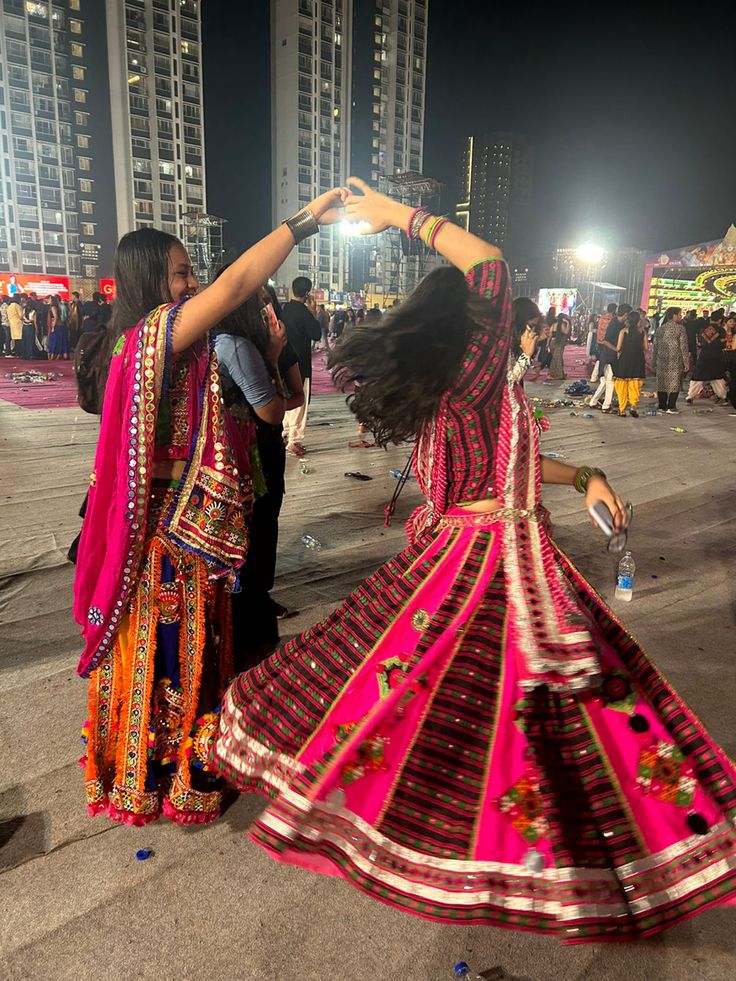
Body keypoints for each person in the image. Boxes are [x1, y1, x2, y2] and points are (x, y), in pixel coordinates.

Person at [212, 177, 736, 941]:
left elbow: (505, 466)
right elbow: (489, 263)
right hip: (490, 562)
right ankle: (563, 855)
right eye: (512, 325)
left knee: (489, 705)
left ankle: (530, 850)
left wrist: (585, 474)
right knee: (550, 704)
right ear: (477, 328)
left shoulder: (459, 391)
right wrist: (399, 217)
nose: (521, 331)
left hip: (473, 546)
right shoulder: (474, 375)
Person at [73, 187, 346, 826]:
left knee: (175, 644)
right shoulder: (154, 336)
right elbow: (236, 285)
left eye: (193, 270)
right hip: (172, 530)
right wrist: (303, 223)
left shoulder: (150, 345)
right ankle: (166, 776)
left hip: (174, 524)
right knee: (172, 645)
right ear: (149, 281)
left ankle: (145, 770)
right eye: (181, 273)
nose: (193, 283)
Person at [214, 281, 305, 669]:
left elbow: (295, 397)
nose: (267, 309)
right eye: (260, 302)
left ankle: (255, 601)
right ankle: (245, 620)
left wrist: (274, 357)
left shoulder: (266, 345)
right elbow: (272, 407)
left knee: (265, 523)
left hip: (264, 447)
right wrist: (271, 364)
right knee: (247, 529)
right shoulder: (233, 345)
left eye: (270, 302)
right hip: (238, 454)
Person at [281, 276, 321, 457]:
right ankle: (294, 440)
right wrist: (313, 312)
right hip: (301, 363)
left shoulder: (284, 309)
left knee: (287, 399)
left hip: (284, 361)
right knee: (300, 401)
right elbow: (316, 334)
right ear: (307, 294)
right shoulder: (303, 313)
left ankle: (285, 433)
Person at [588, 303, 630, 412]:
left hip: (610, 356)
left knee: (605, 381)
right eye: (628, 315)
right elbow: (605, 341)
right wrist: (616, 349)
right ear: (625, 314)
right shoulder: (614, 324)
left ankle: (593, 401)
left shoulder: (619, 324)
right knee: (610, 381)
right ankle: (606, 405)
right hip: (609, 356)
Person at [652, 306, 689, 414]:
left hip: (661, 360)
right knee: (674, 383)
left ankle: (662, 406)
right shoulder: (680, 329)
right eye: (679, 314)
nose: (680, 316)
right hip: (675, 360)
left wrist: (653, 362)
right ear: (674, 315)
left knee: (662, 383)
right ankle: (671, 407)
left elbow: (655, 346)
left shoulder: (660, 329)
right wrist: (686, 362)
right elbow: (684, 347)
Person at [686, 316, 728, 405]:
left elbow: (700, 343)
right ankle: (722, 396)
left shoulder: (703, 329)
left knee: (697, 376)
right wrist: (720, 342)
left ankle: (690, 396)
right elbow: (723, 344)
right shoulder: (721, 330)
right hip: (716, 356)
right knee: (718, 377)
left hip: (704, 356)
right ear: (720, 320)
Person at [613, 310, 647, 417]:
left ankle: (622, 409)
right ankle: (633, 407)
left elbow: (618, 348)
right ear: (638, 321)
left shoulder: (623, 331)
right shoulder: (643, 332)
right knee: (635, 384)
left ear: (628, 320)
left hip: (625, 359)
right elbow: (646, 348)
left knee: (621, 384)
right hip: (638, 360)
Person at [589, 303, 616, 383]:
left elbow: (599, 329)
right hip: (608, 342)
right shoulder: (612, 319)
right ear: (614, 310)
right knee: (607, 360)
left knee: (600, 359)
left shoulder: (601, 318)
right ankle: (604, 376)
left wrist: (598, 340)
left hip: (600, 340)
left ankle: (596, 376)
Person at [547, 312, 570, 379]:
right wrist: (568, 323)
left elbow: (550, 335)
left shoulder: (553, 325)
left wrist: (547, 344)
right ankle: (556, 374)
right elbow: (566, 332)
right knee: (557, 359)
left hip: (552, 342)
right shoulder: (562, 325)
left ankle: (557, 373)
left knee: (556, 358)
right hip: (559, 343)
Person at [47, 295, 71, 360]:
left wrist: (53, 327)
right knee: (58, 341)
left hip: (57, 326)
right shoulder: (57, 307)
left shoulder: (53, 307)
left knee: (55, 341)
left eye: (49, 299)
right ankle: (58, 355)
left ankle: (55, 355)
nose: (48, 300)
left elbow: (56, 317)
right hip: (59, 326)